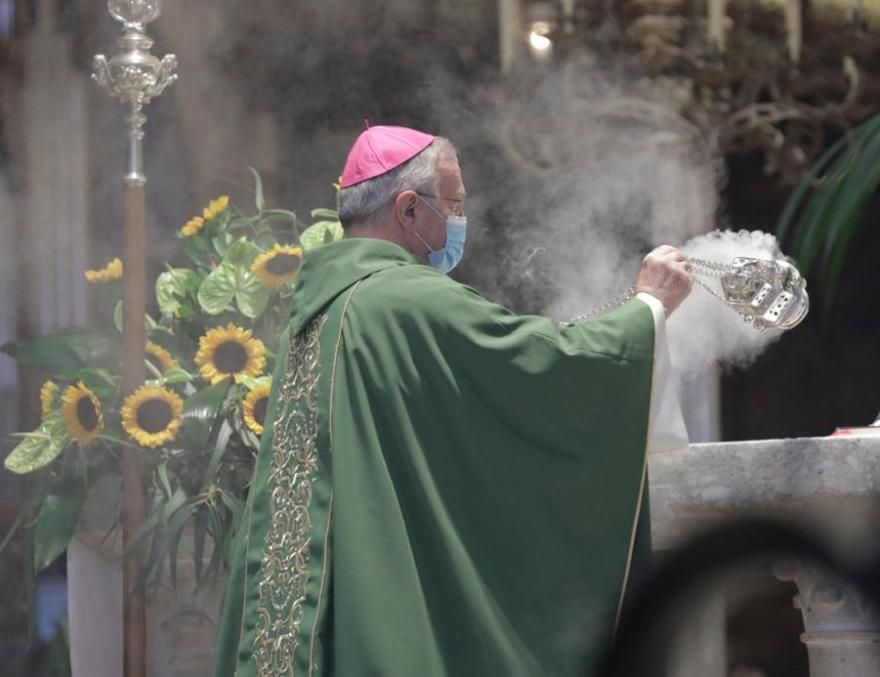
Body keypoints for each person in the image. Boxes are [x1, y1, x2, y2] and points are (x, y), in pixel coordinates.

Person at [212, 125, 693, 677]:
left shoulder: (323, 308)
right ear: (409, 209)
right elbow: (548, 367)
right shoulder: (406, 299)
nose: (461, 221)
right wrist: (648, 307)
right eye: (455, 205)